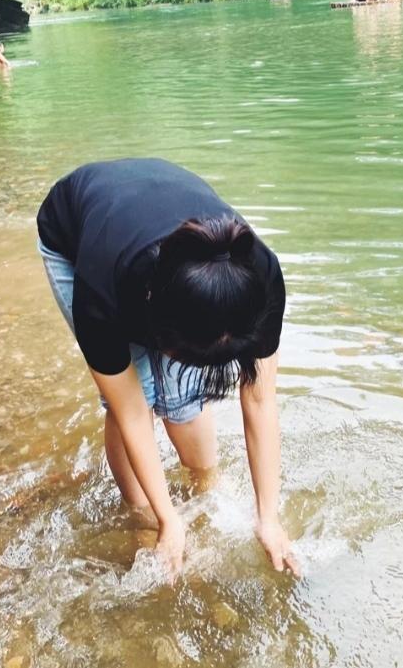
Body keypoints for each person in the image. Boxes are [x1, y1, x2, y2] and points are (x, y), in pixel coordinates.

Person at [36, 158, 299, 579]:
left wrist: (269, 517)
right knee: (137, 390)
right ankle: (141, 513)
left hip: (165, 245)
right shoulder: (102, 293)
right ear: (159, 322)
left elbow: (260, 398)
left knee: (184, 397)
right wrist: (167, 520)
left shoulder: (259, 282)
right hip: (75, 234)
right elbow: (133, 411)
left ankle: (204, 483)